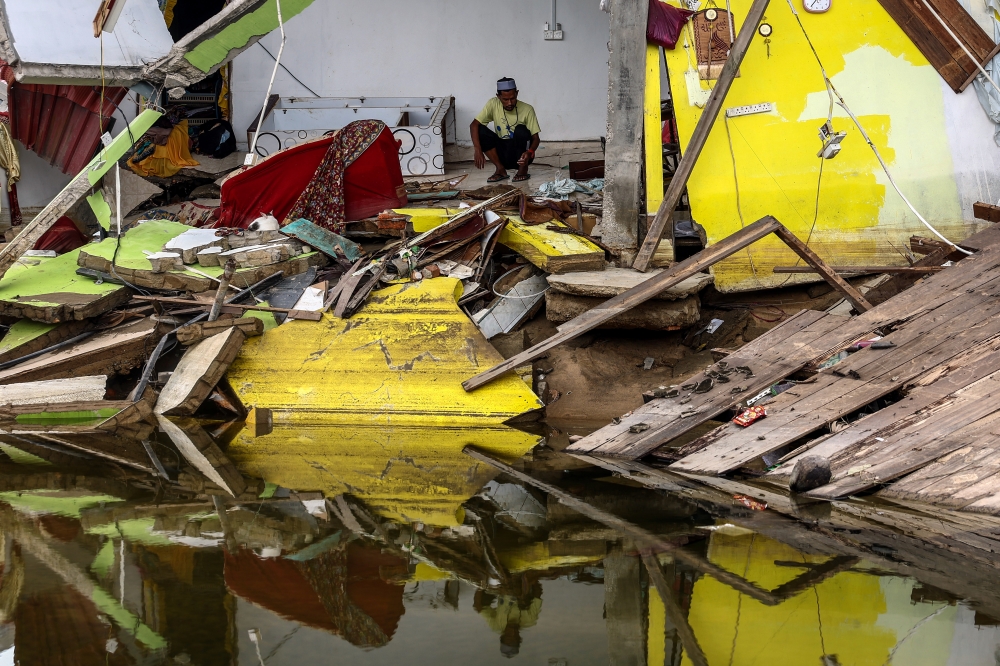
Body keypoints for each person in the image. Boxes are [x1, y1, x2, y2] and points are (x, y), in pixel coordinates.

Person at [471, 78, 541, 183]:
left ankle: (522, 170)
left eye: (512, 98)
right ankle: (500, 169)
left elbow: (536, 138)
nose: (509, 103)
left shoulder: (527, 109)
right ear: (498, 96)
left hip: (522, 155)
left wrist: (530, 152)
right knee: (480, 130)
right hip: (503, 152)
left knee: (521, 130)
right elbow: (474, 125)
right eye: (505, 99)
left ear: (517, 93)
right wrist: (477, 149)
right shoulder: (493, 104)